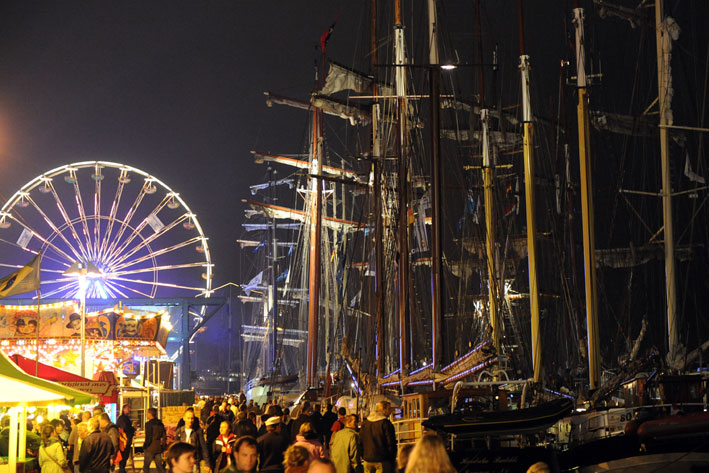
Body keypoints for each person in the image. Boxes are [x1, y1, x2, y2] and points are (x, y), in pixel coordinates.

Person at [360, 402, 396, 473]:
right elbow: (391, 443)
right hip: (382, 460)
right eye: (389, 409)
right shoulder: (386, 423)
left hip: (367, 459)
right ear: (383, 410)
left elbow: (360, 441)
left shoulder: (365, 423)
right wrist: (392, 459)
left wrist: (363, 455)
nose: (390, 411)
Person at [174, 409, 209, 473]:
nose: (190, 420)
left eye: (192, 418)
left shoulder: (198, 431)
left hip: (194, 462)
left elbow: (203, 447)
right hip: (182, 462)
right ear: (184, 418)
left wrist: (207, 463)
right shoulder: (179, 431)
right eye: (188, 418)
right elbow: (175, 447)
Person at [143, 408, 167, 473]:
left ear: (150, 414)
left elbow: (149, 437)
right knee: (159, 466)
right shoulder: (160, 424)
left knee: (146, 466)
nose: (146, 415)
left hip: (150, 448)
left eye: (147, 413)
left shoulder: (148, 424)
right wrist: (163, 447)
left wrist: (145, 445)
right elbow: (164, 436)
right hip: (158, 447)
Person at [116, 405, 135, 473]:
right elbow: (125, 428)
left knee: (125, 454)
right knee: (123, 454)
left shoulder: (125, 418)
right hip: (124, 440)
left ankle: (122, 468)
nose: (129, 410)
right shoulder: (122, 418)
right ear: (123, 409)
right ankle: (121, 469)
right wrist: (133, 429)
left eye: (129, 408)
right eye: (128, 408)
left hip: (126, 439)